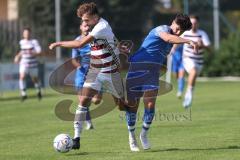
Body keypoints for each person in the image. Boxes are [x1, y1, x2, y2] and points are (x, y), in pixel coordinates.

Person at [49, 2, 126, 150]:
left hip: (110, 71)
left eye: (86, 20)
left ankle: (130, 116)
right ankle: (77, 138)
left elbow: (79, 44)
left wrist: (58, 43)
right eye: (83, 20)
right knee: (83, 101)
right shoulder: (97, 25)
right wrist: (119, 44)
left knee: (121, 106)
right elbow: (113, 37)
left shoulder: (101, 27)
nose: (84, 23)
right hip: (95, 70)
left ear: (95, 17)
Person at [125, 14, 198, 151]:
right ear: (173, 22)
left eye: (181, 31)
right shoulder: (161, 29)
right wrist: (188, 40)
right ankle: (131, 136)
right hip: (137, 68)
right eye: (177, 29)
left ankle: (144, 134)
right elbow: (168, 37)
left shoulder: (172, 43)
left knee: (151, 104)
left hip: (152, 74)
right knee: (132, 105)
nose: (177, 32)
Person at [71, 22, 102, 131]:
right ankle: (88, 123)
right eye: (85, 25)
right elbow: (74, 59)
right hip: (81, 74)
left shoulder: (95, 39)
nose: (87, 27)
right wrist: (79, 66)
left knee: (96, 100)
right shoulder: (77, 41)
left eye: (88, 26)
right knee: (82, 101)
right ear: (80, 27)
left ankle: (87, 120)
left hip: (94, 72)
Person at [181, 15, 211, 108]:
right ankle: (189, 94)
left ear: (198, 24)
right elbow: (176, 41)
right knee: (193, 71)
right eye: (191, 23)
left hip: (199, 62)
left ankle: (189, 92)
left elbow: (209, 49)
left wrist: (202, 45)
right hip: (187, 59)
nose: (193, 25)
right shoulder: (185, 33)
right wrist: (171, 50)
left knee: (193, 76)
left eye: (195, 23)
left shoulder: (202, 34)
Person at [14, 28, 42, 101]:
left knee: (34, 79)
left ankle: (38, 91)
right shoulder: (21, 42)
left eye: (28, 33)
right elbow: (21, 51)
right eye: (25, 33)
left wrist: (32, 52)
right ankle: (24, 94)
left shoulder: (34, 42)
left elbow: (39, 51)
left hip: (33, 64)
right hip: (24, 63)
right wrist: (17, 56)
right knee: (22, 77)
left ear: (30, 33)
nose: (26, 34)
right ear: (23, 34)